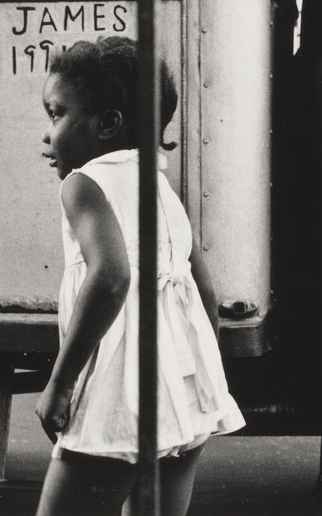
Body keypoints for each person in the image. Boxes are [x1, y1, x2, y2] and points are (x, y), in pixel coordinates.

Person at [35, 37, 245, 516]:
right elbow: (204, 293)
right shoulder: (159, 186)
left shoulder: (83, 185)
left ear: (107, 124)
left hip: (121, 395)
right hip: (184, 392)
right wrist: (202, 381)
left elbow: (110, 278)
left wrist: (59, 384)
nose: (46, 135)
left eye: (56, 114)